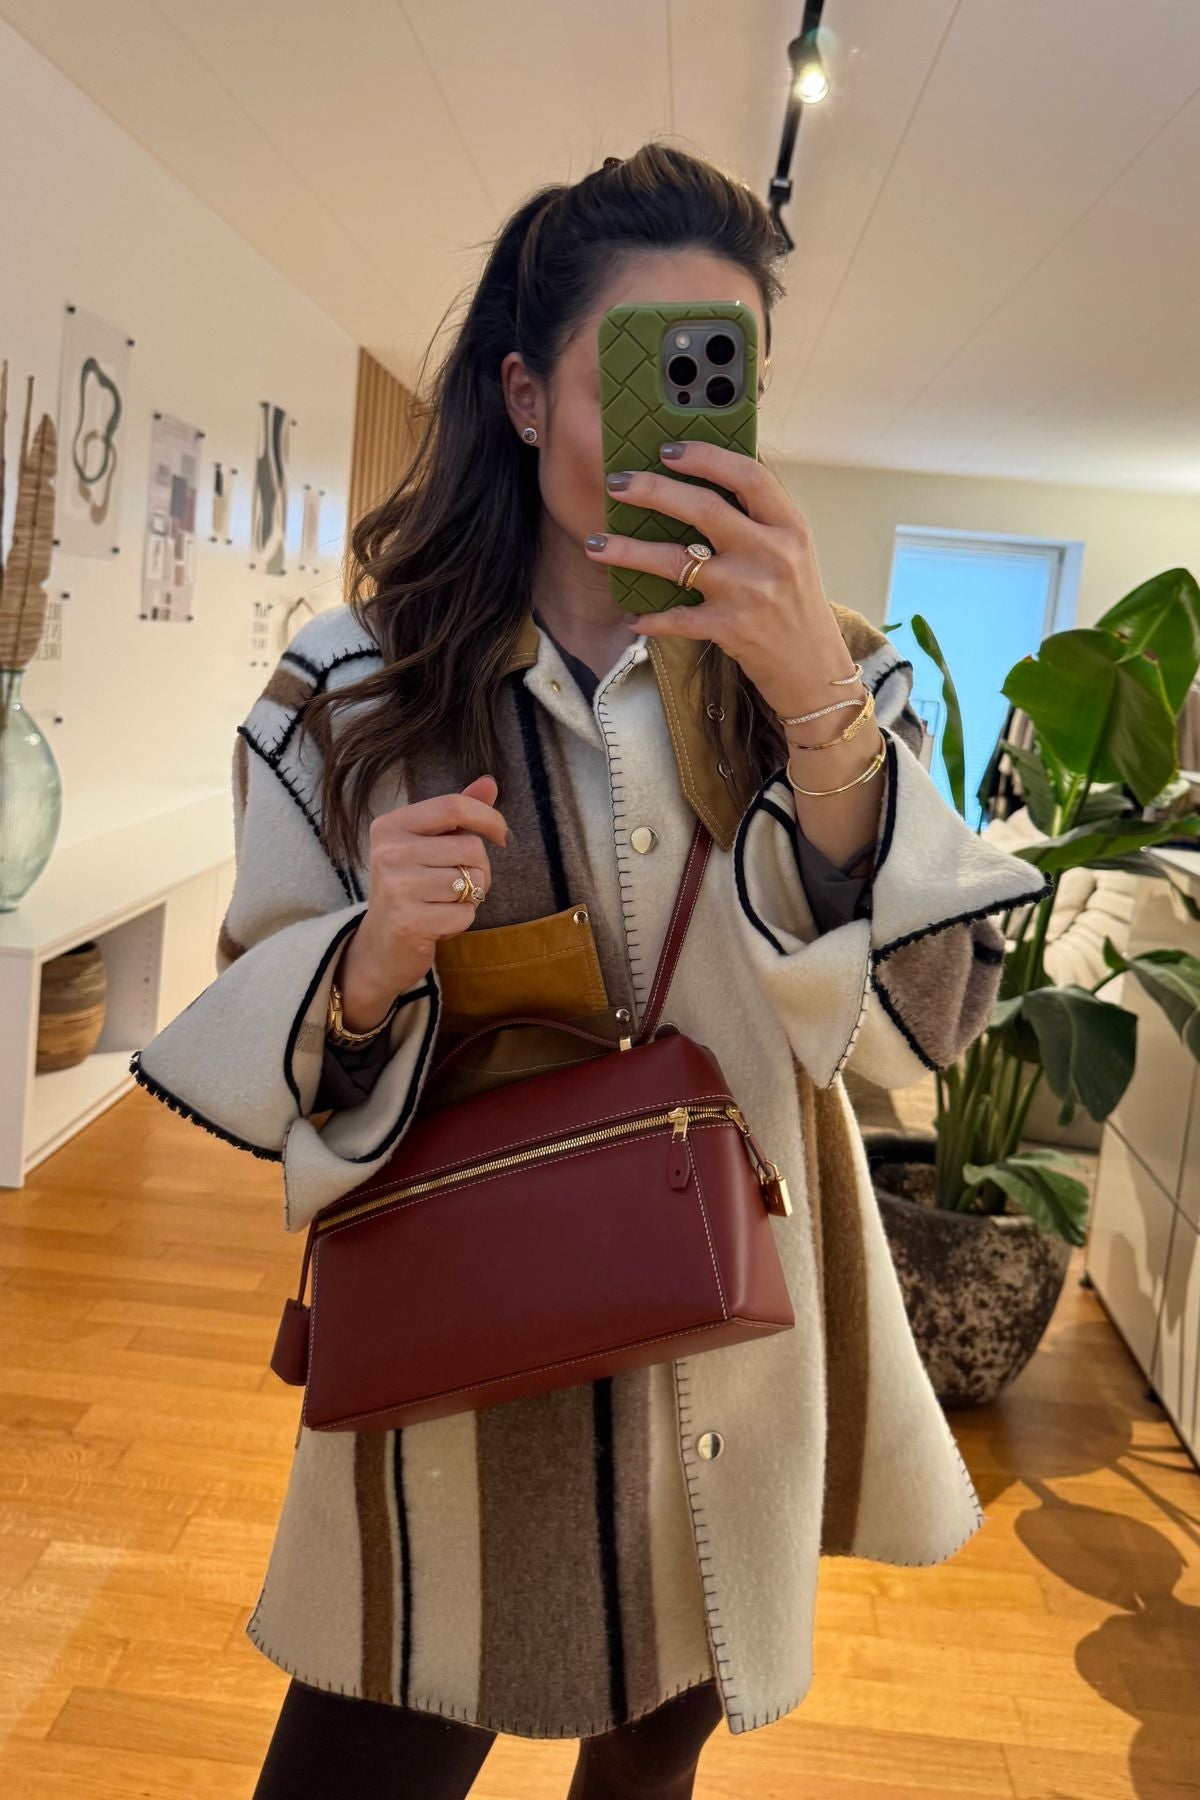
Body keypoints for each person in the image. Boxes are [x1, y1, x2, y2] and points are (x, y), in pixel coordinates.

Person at [130, 143, 1051, 1797]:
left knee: (650, 1767)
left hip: (734, 1339)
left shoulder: (832, 670)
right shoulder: (351, 688)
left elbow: (911, 1032)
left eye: (719, 377)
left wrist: (815, 706)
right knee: (368, 1752)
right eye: (640, 371)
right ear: (524, 393)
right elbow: (266, 1030)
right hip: (462, 1341)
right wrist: (368, 959)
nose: (679, 431)